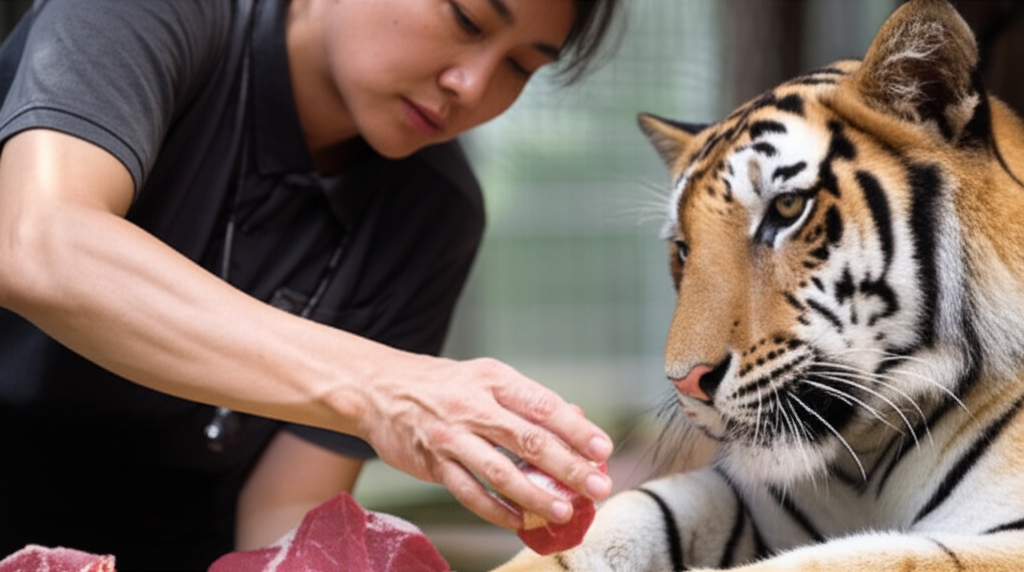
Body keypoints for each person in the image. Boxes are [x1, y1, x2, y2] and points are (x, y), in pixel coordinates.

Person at [0, 0, 623, 569]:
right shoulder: (152, 15)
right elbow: (38, 240)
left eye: (520, 66)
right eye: (465, 19)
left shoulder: (435, 211)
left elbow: (285, 516)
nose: (472, 85)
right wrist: (381, 387)